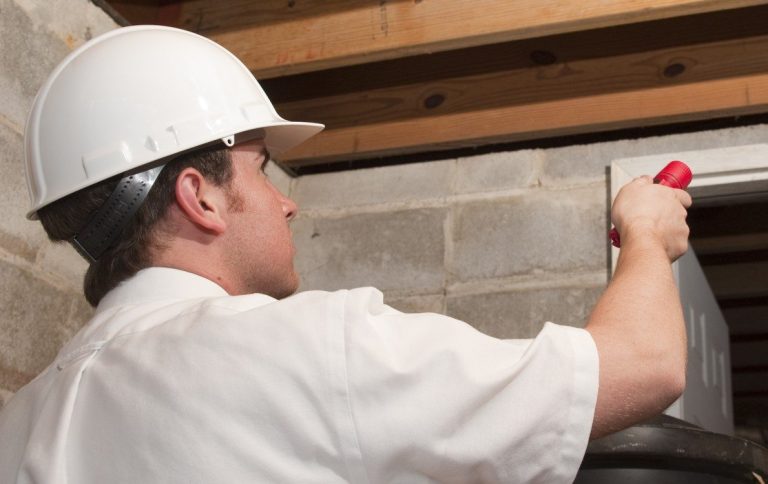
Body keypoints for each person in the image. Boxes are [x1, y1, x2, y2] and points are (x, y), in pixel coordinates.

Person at [0, 25, 691, 483]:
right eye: (262, 170)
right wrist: (647, 234)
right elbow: (643, 366)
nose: (286, 202)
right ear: (200, 197)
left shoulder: (21, 423)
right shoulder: (304, 348)